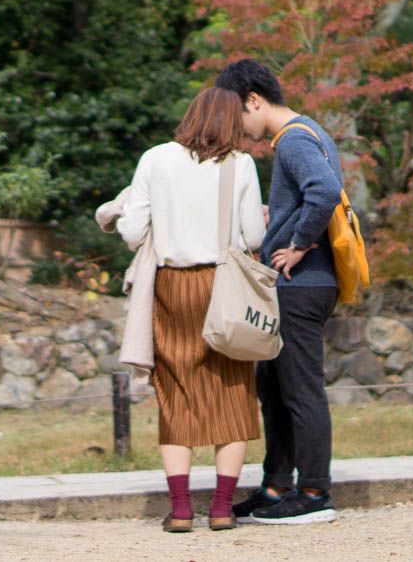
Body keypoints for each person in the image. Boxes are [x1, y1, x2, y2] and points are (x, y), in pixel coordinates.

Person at [115, 87, 267, 533]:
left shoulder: (155, 159)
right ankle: (221, 508)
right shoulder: (240, 165)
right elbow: (254, 237)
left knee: (176, 393)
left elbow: (131, 231)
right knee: (233, 396)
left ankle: (181, 510)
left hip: (172, 287)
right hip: (225, 286)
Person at [217, 59, 342, 525]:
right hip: (298, 284)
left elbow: (325, 191)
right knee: (274, 386)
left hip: (302, 284)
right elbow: (312, 193)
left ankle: (313, 492)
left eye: (239, 114)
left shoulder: (292, 139)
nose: (239, 127)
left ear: (254, 99)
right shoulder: (306, 133)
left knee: (301, 389)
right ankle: (275, 487)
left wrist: (298, 243)